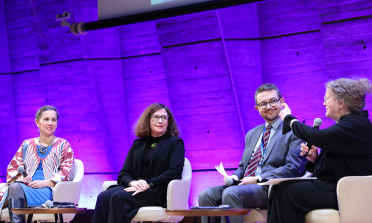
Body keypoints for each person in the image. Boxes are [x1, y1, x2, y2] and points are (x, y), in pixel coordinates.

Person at [267, 78, 372, 223]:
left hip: (348, 192)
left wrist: (290, 120)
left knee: (286, 192)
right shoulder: (349, 124)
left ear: (341, 103)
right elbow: (338, 164)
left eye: (327, 99)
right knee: (279, 189)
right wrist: (315, 158)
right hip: (336, 186)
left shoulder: (356, 125)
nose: (323, 103)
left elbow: (318, 136)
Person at [198, 83, 306, 223]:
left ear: (282, 102)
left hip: (270, 188)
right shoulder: (252, 133)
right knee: (206, 194)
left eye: (273, 101)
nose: (268, 106)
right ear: (257, 108)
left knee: (231, 194)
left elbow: (293, 168)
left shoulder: (294, 130)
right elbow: (243, 167)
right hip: (244, 185)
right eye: (263, 104)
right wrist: (233, 177)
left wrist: (258, 178)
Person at [92, 103, 185, 223]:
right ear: (148, 119)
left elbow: (174, 173)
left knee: (118, 197)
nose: (160, 121)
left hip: (156, 191)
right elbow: (124, 173)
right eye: (156, 117)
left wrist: (148, 183)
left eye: (164, 117)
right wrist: (132, 183)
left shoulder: (175, 143)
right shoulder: (138, 144)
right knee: (103, 196)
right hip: (136, 188)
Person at [0, 105, 75, 223]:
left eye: (53, 120)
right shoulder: (27, 144)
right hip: (24, 186)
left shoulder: (63, 145)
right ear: (37, 122)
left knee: (14, 188)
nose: (50, 123)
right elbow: (13, 168)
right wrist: (22, 178)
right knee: (14, 188)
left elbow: (68, 172)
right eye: (46, 119)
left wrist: (44, 183)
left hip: (48, 189)